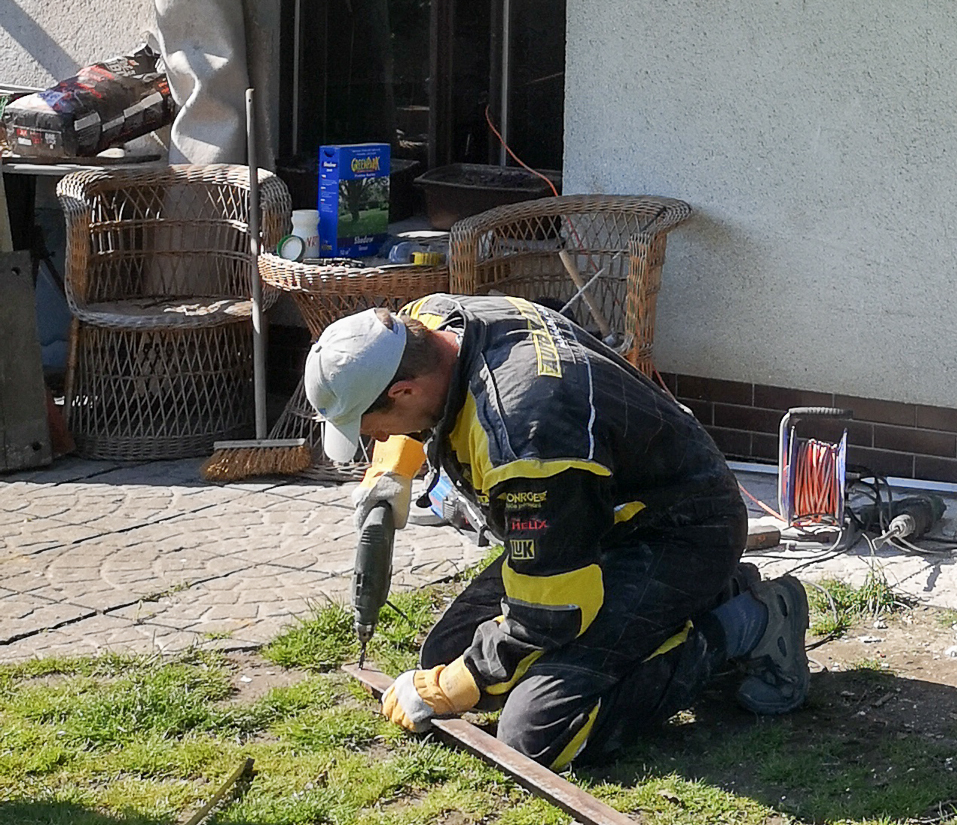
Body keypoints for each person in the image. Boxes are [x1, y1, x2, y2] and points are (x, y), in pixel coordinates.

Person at [304, 295, 810, 769]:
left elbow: (549, 613)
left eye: (375, 428)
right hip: (599, 514)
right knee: (444, 656)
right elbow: (410, 373)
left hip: (680, 530)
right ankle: (699, 598)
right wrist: (392, 472)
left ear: (404, 391)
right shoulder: (429, 323)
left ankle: (749, 619)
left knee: (539, 733)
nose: (380, 437)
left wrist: (453, 686)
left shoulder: (524, 437)